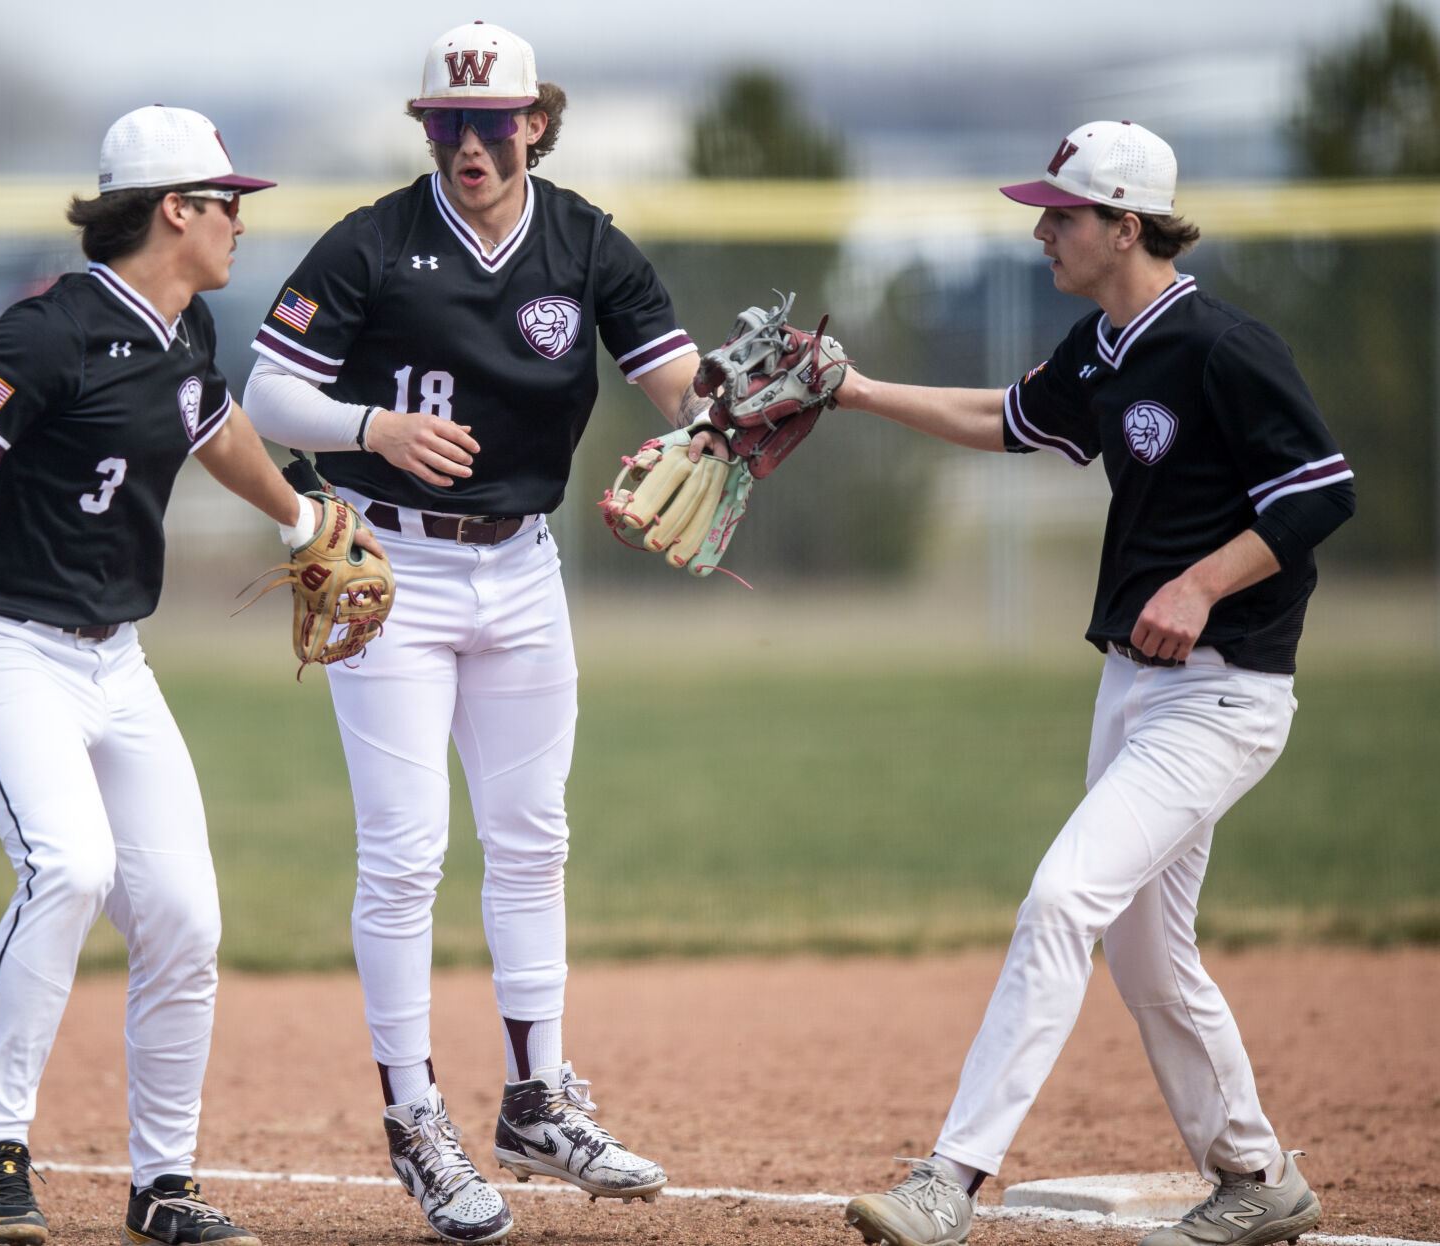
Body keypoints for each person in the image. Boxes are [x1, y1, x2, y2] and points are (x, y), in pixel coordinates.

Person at [0, 105, 377, 1246]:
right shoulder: (45, 334)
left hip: (114, 660)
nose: (239, 223)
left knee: (183, 918)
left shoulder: (186, 323)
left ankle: (163, 1187)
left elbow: (209, 424)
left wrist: (301, 515)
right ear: (176, 209)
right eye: (228, 203)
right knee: (67, 866)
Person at [834, 121, 1354, 1246]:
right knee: (1147, 954)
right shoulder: (1103, 344)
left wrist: (1204, 583)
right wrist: (857, 390)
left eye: (1060, 215)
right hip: (1134, 690)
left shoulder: (1222, 344)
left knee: (1063, 898)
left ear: (1126, 225)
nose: (1039, 231)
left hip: (1222, 692)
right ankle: (1256, 1173)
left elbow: (1320, 492)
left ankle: (948, 1179)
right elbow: (1006, 419)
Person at [242, 20, 719, 1245]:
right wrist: (370, 429)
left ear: (534, 125)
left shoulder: (583, 239)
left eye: (491, 122)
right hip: (391, 569)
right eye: (447, 123)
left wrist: (747, 402)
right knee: (405, 855)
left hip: (522, 566)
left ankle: (537, 1098)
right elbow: (268, 395)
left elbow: (681, 384)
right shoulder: (372, 243)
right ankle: (412, 1117)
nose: (468, 143)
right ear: (427, 129)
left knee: (533, 836)